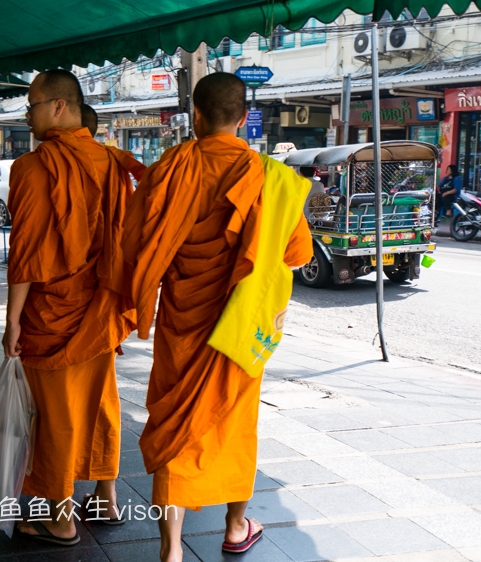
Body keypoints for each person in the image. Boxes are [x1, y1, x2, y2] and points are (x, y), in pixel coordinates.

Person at [121, 72, 314, 562]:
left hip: (182, 321)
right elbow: (297, 253)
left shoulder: (169, 167)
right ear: (244, 118)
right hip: (238, 327)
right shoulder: (273, 180)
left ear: (196, 115)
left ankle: (170, 549)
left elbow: (136, 241)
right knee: (233, 423)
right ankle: (234, 527)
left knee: (174, 423)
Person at [1, 69, 144, 546]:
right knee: (100, 399)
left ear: (58, 106)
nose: (27, 115)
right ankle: (105, 497)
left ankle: (60, 517)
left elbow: (25, 255)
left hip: (52, 313)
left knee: (56, 412)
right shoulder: (108, 160)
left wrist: (12, 320)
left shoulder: (33, 167)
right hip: (99, 306)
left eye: (32, 105)